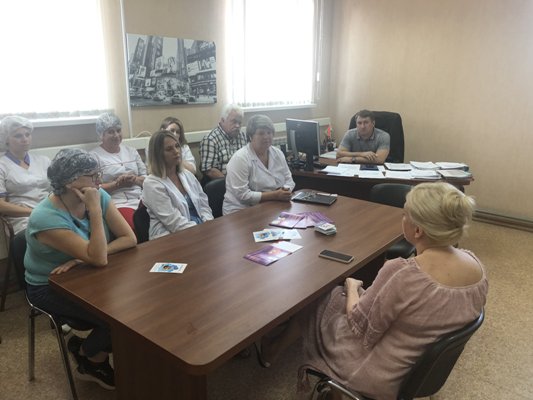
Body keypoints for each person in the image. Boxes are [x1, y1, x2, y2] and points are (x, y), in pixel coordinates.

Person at [257, 182, 488, 400]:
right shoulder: (476, 266)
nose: (402, 218)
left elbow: (358, 325)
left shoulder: (403, 272)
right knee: (338, 296)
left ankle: (274, 351)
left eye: (404, 214)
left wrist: (352, 287)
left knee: (317, 297)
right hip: (419, 366)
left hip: (378, 371)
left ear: (418, 230)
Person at [24, 149, 137, 390]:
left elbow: (129, 238)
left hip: (87, 272)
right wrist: (94, 211)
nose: (99, 180)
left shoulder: (97, 194)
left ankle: (85, 349)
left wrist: (81, 259)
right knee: (119, 321)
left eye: (98, 173)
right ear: (69, 182)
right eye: (92, 175)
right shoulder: (45, 217)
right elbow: (99, 258)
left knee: (136, 308)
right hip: (49, 285)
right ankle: (89, 358)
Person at [0, 116, 51, 285]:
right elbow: (1, 205)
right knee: (41, 235)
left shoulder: (43, 161)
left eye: (27, 134)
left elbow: (58, 189)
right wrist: (34, 212)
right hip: (22, 219)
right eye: (18, 135)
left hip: (50, 211)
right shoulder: (2, 165)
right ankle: (36, 284)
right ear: (6, 139)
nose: (25, 139)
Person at [142, 130, 213, 240]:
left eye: (177, 146)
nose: (176, 151)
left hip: (198, 229)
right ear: (158, 155)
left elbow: (203, 204)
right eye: (169, 149)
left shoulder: (186, 174)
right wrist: (202, 232)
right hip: (170, 237)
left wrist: (208, 223)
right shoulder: (151, 184)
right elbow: (174, 222)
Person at [223, 115, 295, 215]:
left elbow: (289, 180)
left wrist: (285, 191)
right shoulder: (240, 158)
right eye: (261, 133)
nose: (266, 137)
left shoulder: (278, 153)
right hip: (241, 211)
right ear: (250, 136)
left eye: (269, 132)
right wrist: (275, 195)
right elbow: (243, 195)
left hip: (271, 205)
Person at [90, 112, 147, 229]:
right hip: (117, 203)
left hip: (142, 199)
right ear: (101, 135)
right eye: (111, 132)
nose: (116, 135)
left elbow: (147, 179)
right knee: (135, 228)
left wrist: (134, 179)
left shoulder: (131, 151)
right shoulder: (94, 156)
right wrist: (117, 184)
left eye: (118, 130)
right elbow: (93, 189)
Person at [199, 104, 248, 182]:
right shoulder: (210, 139)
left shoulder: (243, 136)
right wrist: (231, 183)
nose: (237, 126)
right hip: (223, 184)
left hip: (244, 180)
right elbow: (209, 170)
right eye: (234, 121)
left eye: (239, 122)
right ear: (222, 120)